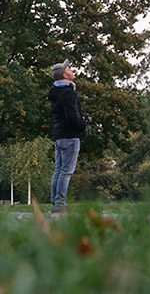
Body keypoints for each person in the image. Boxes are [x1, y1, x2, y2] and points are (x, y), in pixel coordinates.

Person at [48, 59, 85, 214]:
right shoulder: (68, 93)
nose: (72, 70)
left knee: (58, 170)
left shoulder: (55, 93)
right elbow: (72, 116)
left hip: (59, 135)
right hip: (70, 135)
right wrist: (81, 126)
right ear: (65, 74)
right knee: (66, 171)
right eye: (69, 68)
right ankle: (60, 204)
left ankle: (55, 202)